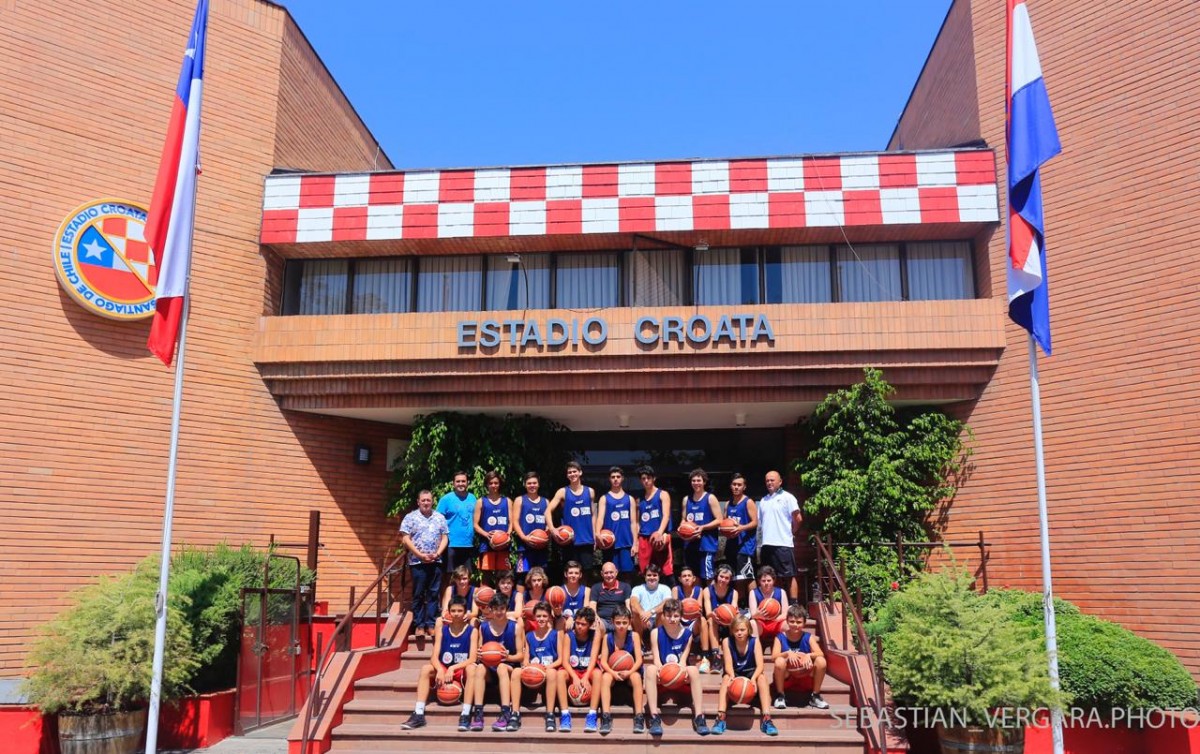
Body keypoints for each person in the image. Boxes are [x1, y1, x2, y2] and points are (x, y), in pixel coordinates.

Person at [401, 596, 476, 730]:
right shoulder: (442, 630)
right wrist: (440, 669)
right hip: (444, 668)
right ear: (449, 612)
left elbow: (472, 659)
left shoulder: (472, 631)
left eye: (460, 611)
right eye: (453, 611)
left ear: (465, 612)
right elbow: (434, 657)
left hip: (460, 669)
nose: (456, 614)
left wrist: (453, 668)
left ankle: (466, 713)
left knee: (472, 669)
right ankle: (418, 713)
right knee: (426, 669)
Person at [644, 598, 708, 736]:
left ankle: (699, 716)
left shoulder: (687, 634)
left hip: (679, 675)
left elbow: (683, 661)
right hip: (662, 675)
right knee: (650, 670)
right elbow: (656, 659)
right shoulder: (656, 633)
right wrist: (663, 673)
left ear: (681, 616)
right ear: (663, 615)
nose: (672, 619)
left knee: (693, 670)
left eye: (676, 616)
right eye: (668, 615)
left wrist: (678, 674)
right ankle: (654, 717)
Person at [712, 614, 778, 736]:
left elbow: (760, 666)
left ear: (748, 630)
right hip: (735, 672)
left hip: (751, 672)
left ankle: (767, 718)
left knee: (762, 678)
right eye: (736, 630)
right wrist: (732, 677)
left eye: (742, 630)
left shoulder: (755, 641)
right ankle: (720, 717)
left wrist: (753, 679)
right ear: (732, 631)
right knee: (726, 678)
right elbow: (728, 665)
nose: (739, 633)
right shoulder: (727, 641)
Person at [399, 490, 449, 638]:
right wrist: (419, 555)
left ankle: (431, 625)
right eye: (423, 500)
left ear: (432, 501)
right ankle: (419, 625)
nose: (426, 503)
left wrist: (438, 553)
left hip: (435, 561)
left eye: (428, 500)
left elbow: (445, 538)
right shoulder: (410, 517)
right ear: (418, 502)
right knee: (419, 594)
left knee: (433, 594)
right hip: (417, 562)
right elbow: (405, 539)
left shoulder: (439, 517)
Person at [472, 593, 524, 732]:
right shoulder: (483, 627)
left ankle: (506, 711)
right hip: (490, 669)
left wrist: (507, 657)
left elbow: (520, 656)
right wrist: (480, 655)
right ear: (491, 609)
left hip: (508, 667)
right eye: (496, 609)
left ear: (507, 608)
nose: (499, 612)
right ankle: (478, 713)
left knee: (501, 666)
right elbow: (479, 653)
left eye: (502, 608)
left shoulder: (515, 627)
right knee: (480, 668)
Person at [515, 601, 563, 732]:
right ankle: (515, 713)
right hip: (533, 674)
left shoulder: (556, 634)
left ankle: (550, 714)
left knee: (552, 673)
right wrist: (527, 667)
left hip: (548, 673)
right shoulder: (529, 636)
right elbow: (525, 660)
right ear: (534, 617)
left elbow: (560, 659)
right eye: (539, 616)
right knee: (516, 672)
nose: (541, 619)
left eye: (544, 616)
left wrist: (546, 668)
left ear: (550, 617)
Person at [772, 604, 829, 710]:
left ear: (804, 623)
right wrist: (787, 653)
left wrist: (808, 655)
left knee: (821, 661)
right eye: (792, 621)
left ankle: (815, 696)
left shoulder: (808, 637)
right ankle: (780, 696)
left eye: (799, 622)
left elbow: (820, 653)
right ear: (787, 621)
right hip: (787, 676)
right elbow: (774, 656)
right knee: (779, 661)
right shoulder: (780, 637)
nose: (795, 625)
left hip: (805, 675)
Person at [598, 604, 644, 735]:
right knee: (605, 677)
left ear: (629, 622)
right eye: (618, 623)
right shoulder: (607, 637)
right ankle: (606, 716)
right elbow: (603, 661)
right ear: (612, 622)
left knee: (636, 677)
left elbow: (639, 660)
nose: (621, 626)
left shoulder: (634, 636)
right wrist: (613, 673)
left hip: (630, 671)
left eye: (624, 623)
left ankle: (639, 716)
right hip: (613, 672)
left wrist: (629, 672)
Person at [758, 470, 803, 602]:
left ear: (780, 482)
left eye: (772, 480)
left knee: (789, 575)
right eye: (767, 480)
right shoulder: (763, 500)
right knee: (770, 577)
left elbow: (798, 518)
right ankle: (775, 603)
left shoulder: (788, 497)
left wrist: (792, 532)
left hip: (783, 544)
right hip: (766, 545)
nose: (769, 483)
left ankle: (793, 604)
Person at [547, 461, 597, 578]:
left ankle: (584, 591)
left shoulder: (590, 492)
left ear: (580, 472)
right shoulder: (562, 492)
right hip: (569, 540)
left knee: (586, 574)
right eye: (569, 472)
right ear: (567, 475)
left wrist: (594, 535)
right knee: (569, 574)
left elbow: (593, 514)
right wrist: (553, 529)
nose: (572, 474)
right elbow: (547, 511)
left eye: (574, 471)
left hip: (586, 539)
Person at [558, 606, 602, 733]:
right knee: (560, 674)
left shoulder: (595, 635)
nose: (579, 626)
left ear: (590, 625)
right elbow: (565, 662)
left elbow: (593, 660)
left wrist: (586, 677)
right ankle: (565, 714)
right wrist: (575, 678)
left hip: (588, 670)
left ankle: (592, 714)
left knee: (598, 674)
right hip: (573, 671)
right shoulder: (569, 636)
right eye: (577, 623)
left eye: (583, 624)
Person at [594, 466, 638, 582]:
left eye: (618, 476)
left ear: (622, 478)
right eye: (613, 477)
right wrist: (597, 534)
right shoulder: (604, 498)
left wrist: (635, 543)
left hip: (626, 543)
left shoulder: (630, 499)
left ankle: (627, 594)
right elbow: (600, 519)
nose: (615, 479)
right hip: (609, 544)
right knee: (610, 576)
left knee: (627, 575)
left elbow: (634, 523)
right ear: (609, 479)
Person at [681, 468, 723, 584]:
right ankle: (697, 596)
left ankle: (710, 596)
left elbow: (719, 520)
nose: (696, 483)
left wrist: (702, 527)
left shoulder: (710, 498)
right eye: (693, 480)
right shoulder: (686, 500)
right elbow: (683, 520)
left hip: (706, 544)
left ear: (704, 482)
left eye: (699, 480)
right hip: (690, 544)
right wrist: (682, 529)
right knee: (694, 577)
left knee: (708, 576)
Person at [723, 473, 759, 602]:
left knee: (747, 576)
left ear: (744, 487)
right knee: (735, 578)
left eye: (739, 485)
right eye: (734, 484)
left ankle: (754, 604)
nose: (736, 487)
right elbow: (724, 523)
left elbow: (755, 522)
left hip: (745, 546)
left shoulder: (748, 502)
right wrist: (724, 530)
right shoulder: (728, 504)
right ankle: (741, 605)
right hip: (731, 546)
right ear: (730, 486)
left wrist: (741, 528)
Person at [438, 471, 478, 579]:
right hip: (451, 544)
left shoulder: (473, 498)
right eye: (458, 481)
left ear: (468, 483)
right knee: (448, 576)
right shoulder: (446, 499)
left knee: (466, 576)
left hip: (468, 544)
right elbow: (438, 521)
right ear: (453, 483)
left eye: (463, 481)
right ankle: (447, 592)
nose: (461, 484)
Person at [635, 466, 673, 580]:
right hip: (644, 538)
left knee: (665, 571)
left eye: (648, 478)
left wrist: (660, 533)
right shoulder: (639, 499)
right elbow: (637, 522)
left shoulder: (662, 494)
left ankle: (669, 591)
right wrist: (636, 541)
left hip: (660, 537)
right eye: (643, 478)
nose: (646, 481)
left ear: (654, 478)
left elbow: (666, 516)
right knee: (645, 571)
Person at [511, 471, 550, 576]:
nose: (532, 485)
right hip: (524, 547)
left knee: (541, 577)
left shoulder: (546, 502)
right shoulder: (519, 500)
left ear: (538, 484)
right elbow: (515, 522)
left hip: (541, 547)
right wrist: (524, 538)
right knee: (522, 577)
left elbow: (549, 522)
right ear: (525, 484)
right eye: (529, 483)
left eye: (534, 483)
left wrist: (548, 530)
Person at [674, 565, 711, 673]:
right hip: (679, 623)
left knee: (702, 619)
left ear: (694, 578)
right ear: (680, 579)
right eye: (684, 576)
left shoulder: (699, 590)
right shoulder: (676, 590)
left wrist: (691, 609)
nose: (687, 578)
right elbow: (674, 609)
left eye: (689, 576)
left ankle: (705, 658)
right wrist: (684, 607)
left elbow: (699, 609)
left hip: (693, 623)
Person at [702, 563, 738, 672]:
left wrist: (728, 618)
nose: (723, 580)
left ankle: (735, 654)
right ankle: (716, 656)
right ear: (716, 576)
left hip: (728, 623)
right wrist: (714, 615)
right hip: (714, 621)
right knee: (711, 620)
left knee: (737, 621)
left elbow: (733, 611)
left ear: (730, 580)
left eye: (727, 578)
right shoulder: (707, 590)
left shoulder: (734, 592)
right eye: (721, 576)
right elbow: (708, 613)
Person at [475, 470, 512, 573]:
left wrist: (508, 535)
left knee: (504, 575)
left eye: (496, 483)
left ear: (499, 484)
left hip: (503, 544)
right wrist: (486, 534)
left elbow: (512, 522)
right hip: (487, 545)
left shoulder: (507, 501)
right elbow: (475, 525)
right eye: (490, 483)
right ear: (487, 485)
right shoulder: (481, 501)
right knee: (486, 575)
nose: (493, 485)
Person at [749, 565, 789, 645]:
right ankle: (755, 649)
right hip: (761, 623)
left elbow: (785, 614)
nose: (766, 583)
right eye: (763, 581)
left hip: (777, 622)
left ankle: (787, 649)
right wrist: (759, 614)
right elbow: (753, 614)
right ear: (759, 581)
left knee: (787, 624)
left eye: (769, 580)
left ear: (773, 580)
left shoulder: (781, 592)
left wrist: (774, 619)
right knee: (752, 623)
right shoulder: (753, 593)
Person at [587, 561, 632, 632]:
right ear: (602, 574)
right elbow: (592, 605)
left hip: (620, 620)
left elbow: (628, 605)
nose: (609, 575)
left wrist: (628, 620)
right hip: (602, 620)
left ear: (616, 572)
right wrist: (595, 617)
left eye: (611, 572)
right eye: (606, 573)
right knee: (595, 627)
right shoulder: (596, 587)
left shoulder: (625, 586)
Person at [630, 564, 671, 634]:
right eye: (649, 575)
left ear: (659, 577)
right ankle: (639, 639)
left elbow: (667, 603)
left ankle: (659, 638)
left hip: (658, 619)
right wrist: (643, 614)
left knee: (662, 613)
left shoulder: (665, 588)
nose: (652, 577)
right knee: (635, 613)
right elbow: (633, 602)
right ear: (645, 577)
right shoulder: (637, 588)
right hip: (643, 619)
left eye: (655, 575)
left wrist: (651, 612)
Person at [557, 560, 589, 630]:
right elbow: (557, 612)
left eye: (576, 573)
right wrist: (565, 620)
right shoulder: (559, 591)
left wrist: (572, 618)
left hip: (580, 622)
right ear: (565, 574)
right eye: (570, 573)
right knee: (560, 622)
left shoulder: (586, 590)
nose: (573, 575)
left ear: (580, 575)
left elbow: (585, 610)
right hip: (564, 623)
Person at [520, 566, 550, 632]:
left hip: (544, 621)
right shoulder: (525, 595)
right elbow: (522, 612)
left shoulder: (548, 594)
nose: (536, 583)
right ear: (530, 581)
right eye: (534, 580)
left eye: (539, 580)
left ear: (543, 580)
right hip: (529, 623)